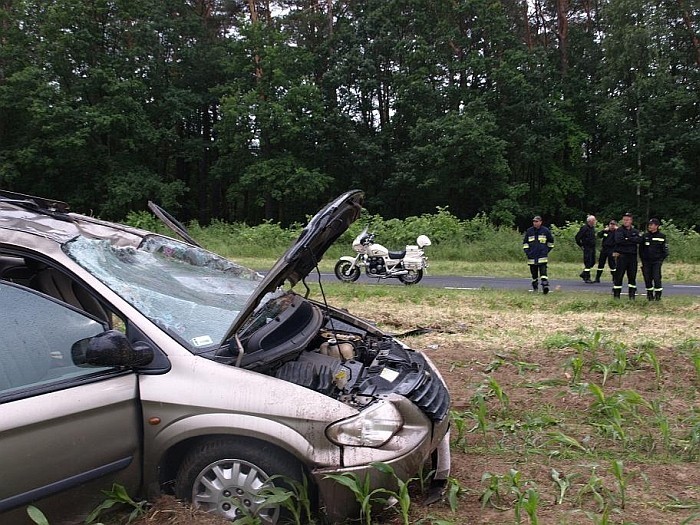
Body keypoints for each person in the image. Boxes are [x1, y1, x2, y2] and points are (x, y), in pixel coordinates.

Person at [612, 212, 643, 299]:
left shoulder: (635, 231)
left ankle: (632, 295)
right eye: (624, 220)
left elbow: (640, 240)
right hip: (622, 256)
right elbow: (619, 240)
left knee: (632, 276)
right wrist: (632, 240)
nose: (626, 221)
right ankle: (616, 295)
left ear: (631, 221)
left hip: (632, 257)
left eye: (628, 220)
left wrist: (627, 239)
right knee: (619, 276)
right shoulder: (619, 230)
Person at [523, 215, 554, 294]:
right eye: (534, 221)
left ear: (540, 222)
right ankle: (535, 287)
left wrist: (546, 251)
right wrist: (527, 252)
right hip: (532, 256)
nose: (535, 223)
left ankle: (545, 286)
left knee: (543, 273)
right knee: (534, 274)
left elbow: (551, 242)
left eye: (536, 221)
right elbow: (525, 243)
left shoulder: (545, 231)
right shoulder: (529, 231)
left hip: (542, 256)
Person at [640, 218, 669, 301]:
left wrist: (660, 260)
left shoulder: (662, 236)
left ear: (656, 226)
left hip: (657, 261)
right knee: (647, 278)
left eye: (651, 224)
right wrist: (643, 259)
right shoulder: (645, 236)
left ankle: (658, 296)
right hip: (646, 261)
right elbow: (641, 249)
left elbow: (665, 250)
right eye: (649, 224)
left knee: (656, 278)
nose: (649, 226)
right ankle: (649, 296)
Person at [575, 215, 597, 283]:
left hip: (592, 247)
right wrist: (581, 245)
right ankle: (587, 277)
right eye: (594, 220)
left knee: (592, 262)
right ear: (589, 221)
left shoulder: (592, 228)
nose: (595, 221)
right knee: (588, 262)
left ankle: (584, 273)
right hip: (587, 247)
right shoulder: (584, 228)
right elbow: (577, 237)